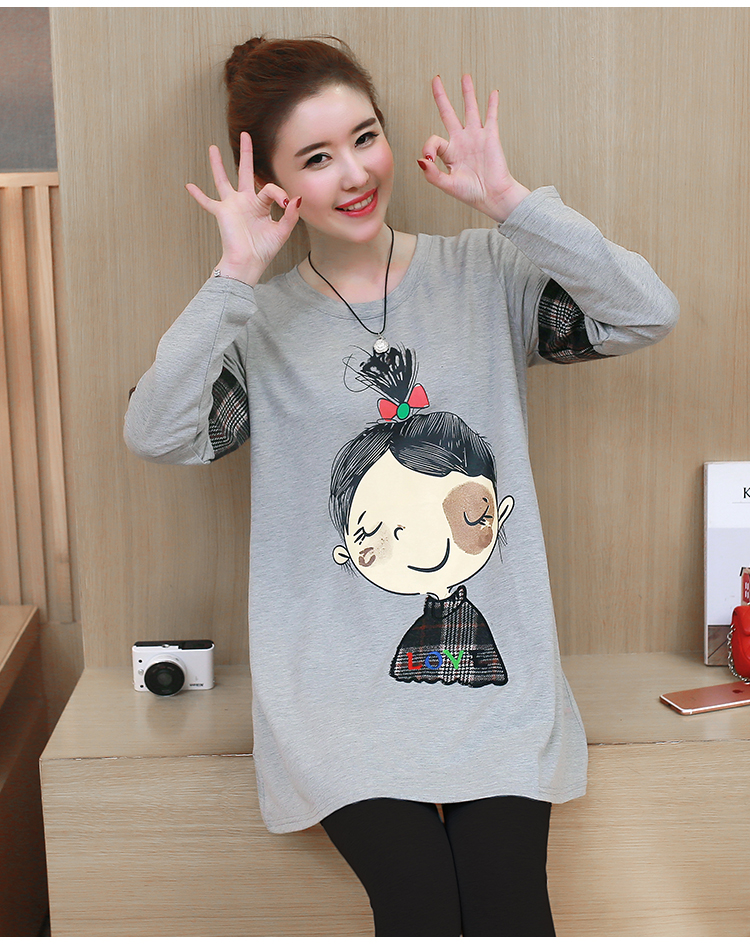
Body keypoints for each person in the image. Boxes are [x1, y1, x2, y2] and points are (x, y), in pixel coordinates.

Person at [124, 36, 678, 936]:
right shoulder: (257, 324)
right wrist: (234, 275)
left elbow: (645, 312)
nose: (354, 173)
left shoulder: (485, 274)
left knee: (508, 911)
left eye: (365, 137)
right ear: (273, 185)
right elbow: (158, 432)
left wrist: (513, 204)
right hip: (335, 700)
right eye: (316, 158)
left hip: (493, 685)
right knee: (419, 907)